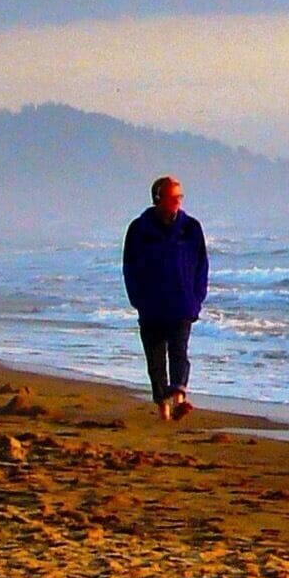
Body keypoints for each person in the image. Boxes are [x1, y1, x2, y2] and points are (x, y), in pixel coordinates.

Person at [122, 176, 208, 421]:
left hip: (182, 303)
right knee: (156, 360)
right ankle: (164, 408)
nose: (178, 202)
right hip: (151, 305)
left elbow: (202, 265)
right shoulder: (139, 229)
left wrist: (197, 298)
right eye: (173, 197)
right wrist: (137, 298)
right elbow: (130, 266)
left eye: (180, 197)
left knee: (179, 352)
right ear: (159, 199)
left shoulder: (191, 228)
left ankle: (180, 397)